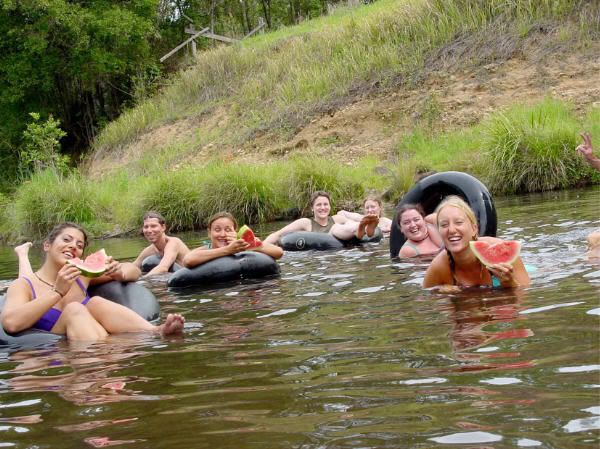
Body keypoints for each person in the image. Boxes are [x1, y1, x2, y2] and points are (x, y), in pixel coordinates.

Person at [3, 223, 184, 341]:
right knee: (75, 308)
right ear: (47, 245)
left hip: (94, 341)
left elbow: (134, 270)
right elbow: (10, 323)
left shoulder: (83, 275)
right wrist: (57, 292)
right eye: (66, 240)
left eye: (80, 245)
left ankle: (155, 331)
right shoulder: (24, 285)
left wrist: (118, 272)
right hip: (56, 354)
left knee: (95, 302)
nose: (73, 246)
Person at [423, 196, 530, 289]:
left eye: (459, 222)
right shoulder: (438, 267)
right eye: (444, 225)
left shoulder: (503, 250)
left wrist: (510, 283)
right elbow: (426, 299)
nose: (451, 230)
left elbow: (524, 298)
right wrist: (440, 291)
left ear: (474, 229)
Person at [264, 191, 378, 245]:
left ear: (330, 206)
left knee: (344, 224)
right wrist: (261, 245)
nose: (323, 208)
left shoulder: (337, 218)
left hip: (341, 251)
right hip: (323, 252)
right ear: (312, 208)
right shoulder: (305, 223)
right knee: (335, 228)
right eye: (319, 205)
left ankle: (362, 228)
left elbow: (350, 221)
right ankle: (360, 228)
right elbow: (278, 234)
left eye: (325, 204)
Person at [183, 212, 283, 268]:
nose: (222, 234)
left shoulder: (243, 244)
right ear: (209, 233)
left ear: (235, 231)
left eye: (228, 230)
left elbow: (279, 252)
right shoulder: (206, 249)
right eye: (217, 230)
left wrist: (253, 245)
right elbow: (188, 260)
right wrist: (228, 250)